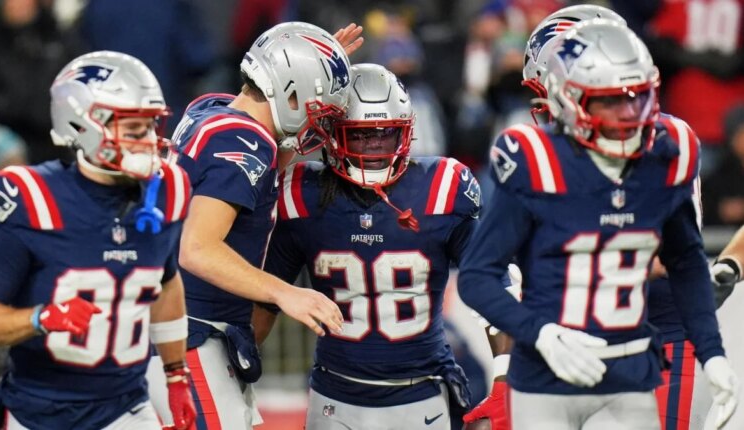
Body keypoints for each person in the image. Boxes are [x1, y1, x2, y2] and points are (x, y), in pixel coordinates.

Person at [457, 19, 738, 430]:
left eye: (627, 98)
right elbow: (493, 278)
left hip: (657, 337)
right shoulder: (533, 155)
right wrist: (506, 371)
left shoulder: (667, 144)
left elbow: (671, 260)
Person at [149, 21, 360, 429]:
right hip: (192, 332)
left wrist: (317, 68)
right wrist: (285, 293)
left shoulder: (210, 108)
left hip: (178, 323)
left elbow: (258, 175)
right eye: (317, 105)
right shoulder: (243, 141)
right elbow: (197, 248)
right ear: (291, 92)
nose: (321, 120)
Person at [263, 63, 478, 430]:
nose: (375, 146)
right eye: (361, 135)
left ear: (405, 132)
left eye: (385, 133)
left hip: (421, 391)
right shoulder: (302, 193)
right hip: (336, 393)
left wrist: (504, 371)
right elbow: (265, 293)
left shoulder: (442, 188)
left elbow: (491, 277)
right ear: (333, 136)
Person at [0, 51, 195, 430]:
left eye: (150, 127)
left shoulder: (169, 189)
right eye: (132, 129)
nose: (148, 141)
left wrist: (176, 374)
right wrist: (40, 318)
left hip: (126, 407)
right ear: (81, 125)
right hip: (36, 412)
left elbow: (166, 283)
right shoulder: (29, 198)